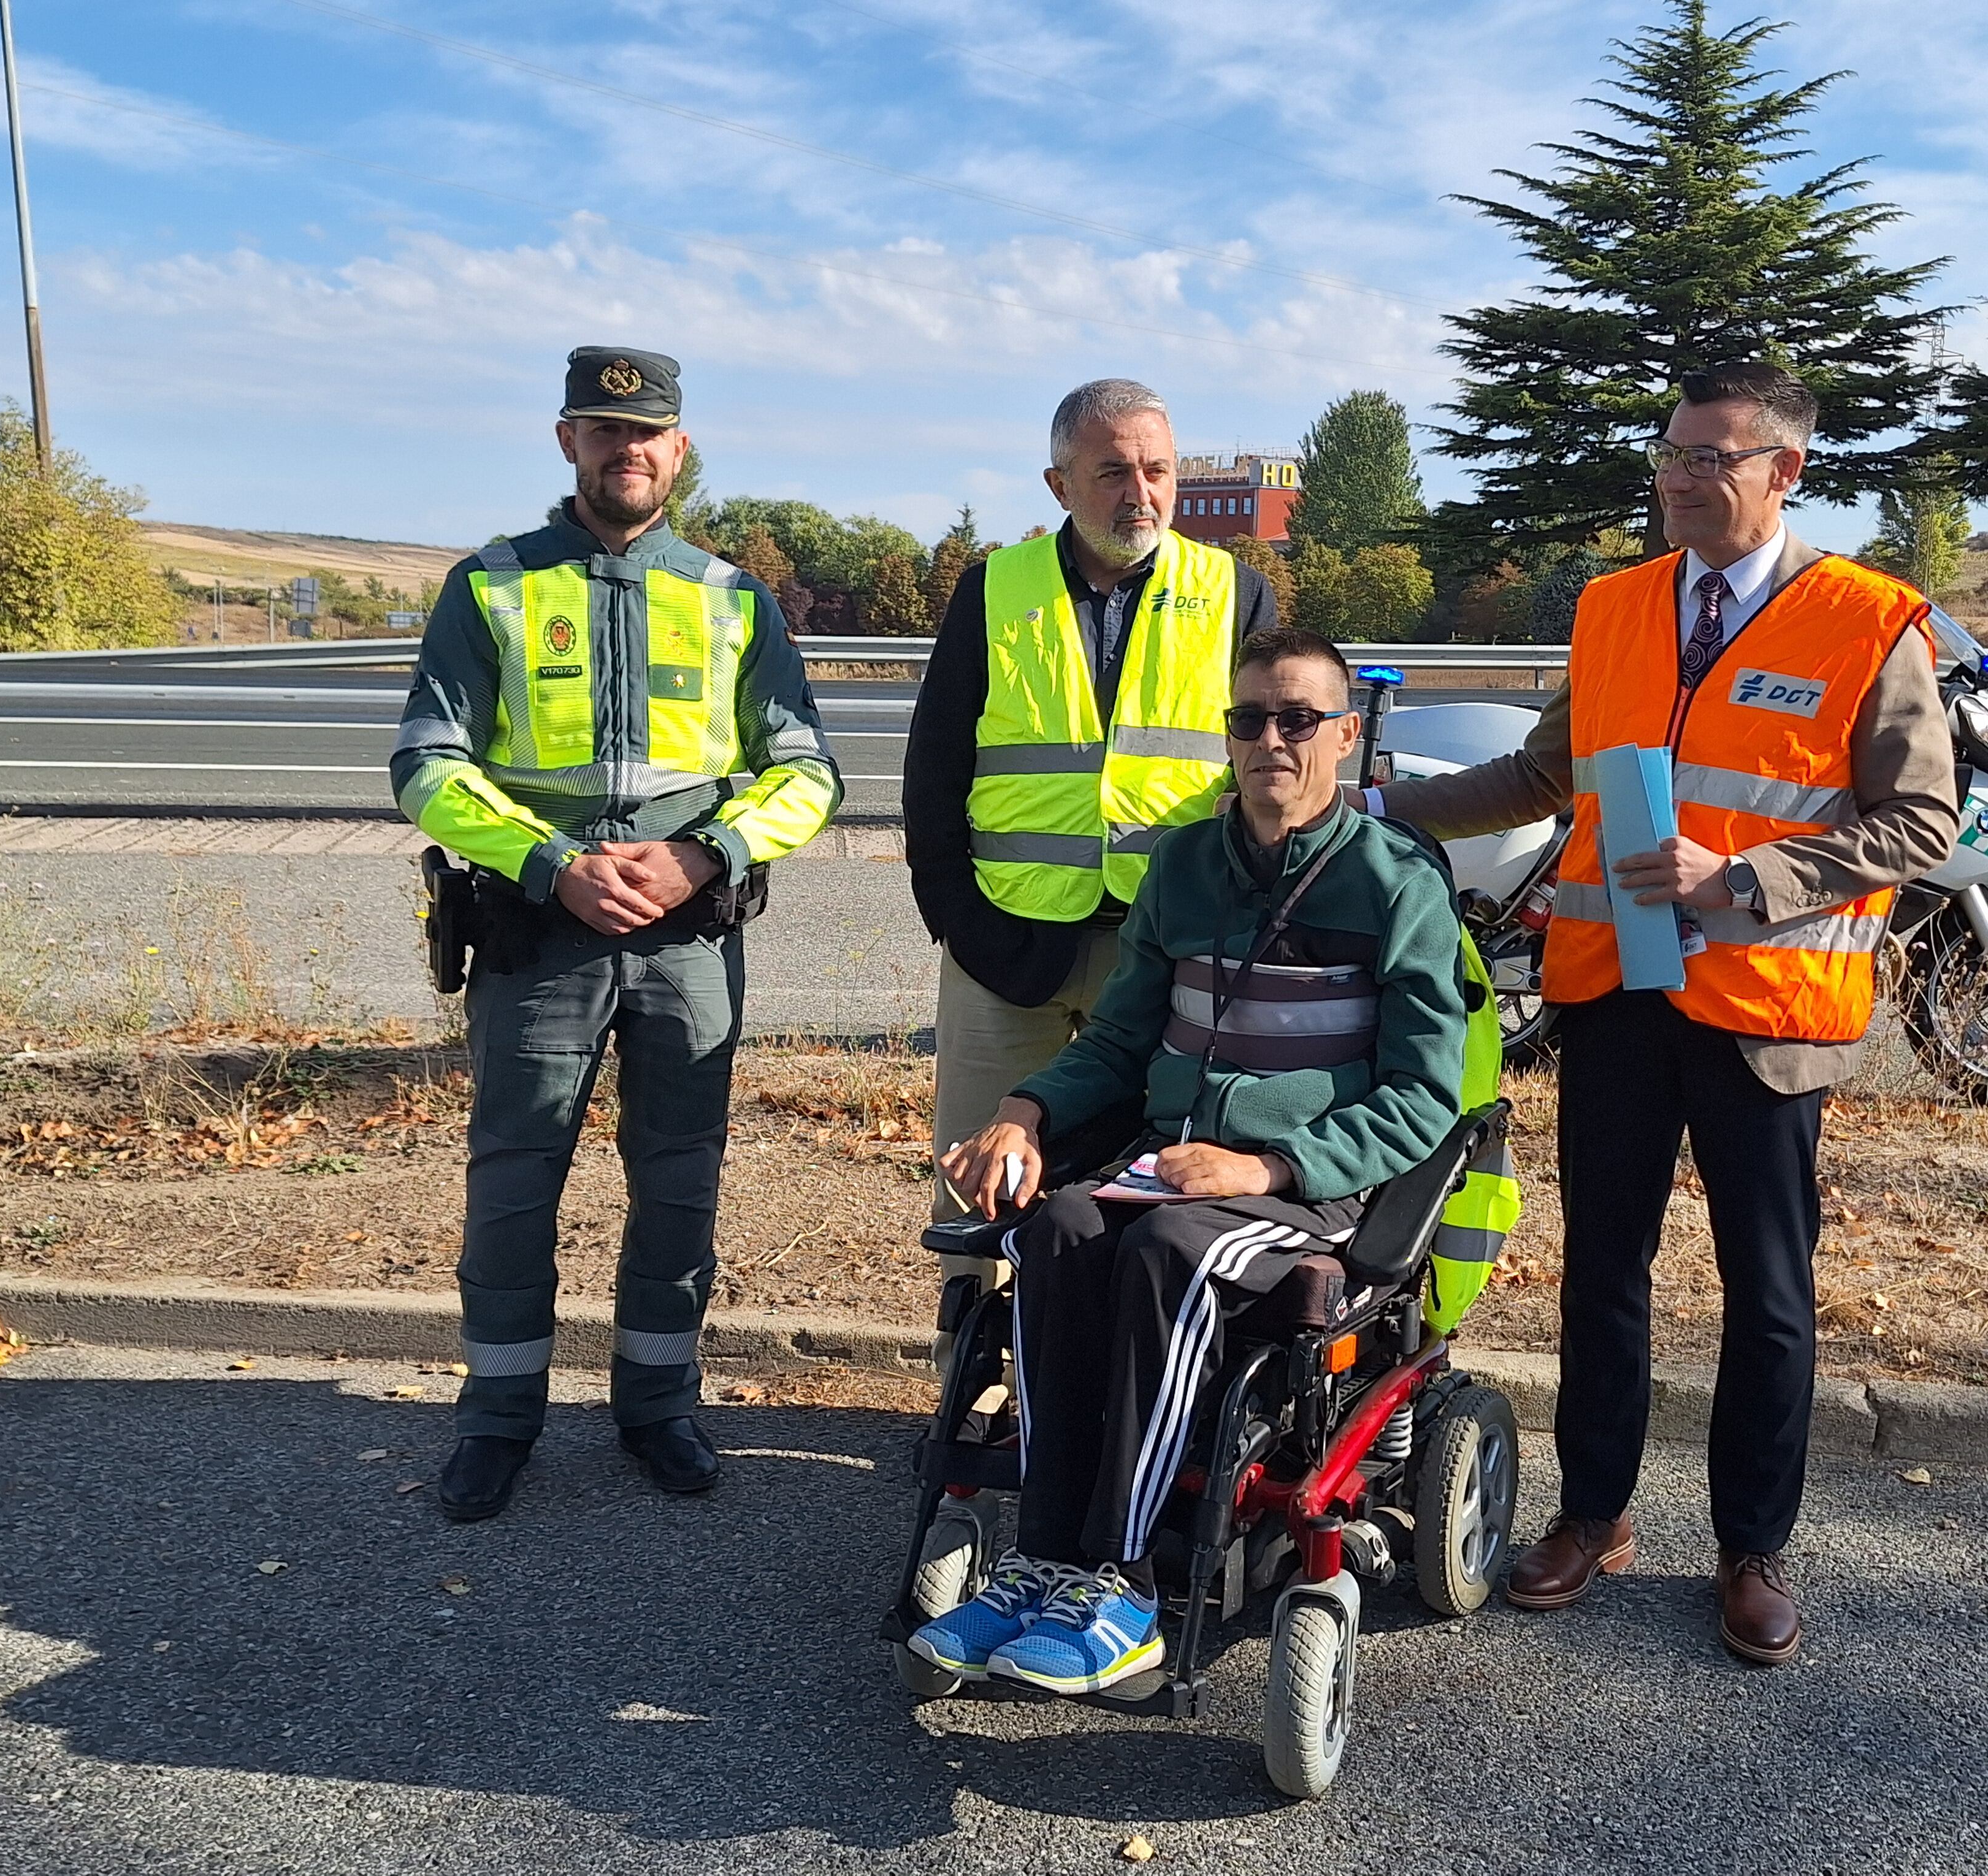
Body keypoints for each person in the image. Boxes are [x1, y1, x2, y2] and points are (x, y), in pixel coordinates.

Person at [1365, 362, 1959, 1664]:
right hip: (1615, 995)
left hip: (1770, 1008)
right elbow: (1541, 773)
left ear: (1785, 472)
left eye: (1713, 457)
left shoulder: (1870, 620)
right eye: (1673, 453)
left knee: (1770, 1295)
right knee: (1605, 1279)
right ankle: (1596, 1516)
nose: (1682, 478)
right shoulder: (1615, 605)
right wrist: (1368, 810)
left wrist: (1744, 879)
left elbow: (1921, 820)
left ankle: (1753, 1549)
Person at [907, 627, 1469, 1696]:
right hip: (1170, 1161)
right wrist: (1024, 1112)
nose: (1272, 740)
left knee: (1168, 1246)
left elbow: (1424, 1097)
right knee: (1058, 1228)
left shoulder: (1394, 885)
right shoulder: (1184, 865)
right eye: (1251, 718)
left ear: (1345, 736)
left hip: (1309, 1188)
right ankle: (1044, 1560)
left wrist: (1269, 1170)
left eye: (1299, 719)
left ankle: (1119, 1584)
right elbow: (1120, 1043)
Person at [390, 346, 841, 1522]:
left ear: (678, 451)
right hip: (540, 932)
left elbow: (806, 774)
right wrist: (550, 864)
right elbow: (426, 767)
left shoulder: (734, 595)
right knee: (512, 1182)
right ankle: (496, 1420)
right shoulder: (489, 586)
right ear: (566, 441)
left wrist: (706, 854)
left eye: (646, 434)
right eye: (601, 428)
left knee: (680, 1181)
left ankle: (657, 1406)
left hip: (688, 936)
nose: (624, 449)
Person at [903, 378, 1278, 1228]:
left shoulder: (1236, 595)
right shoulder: (993, 590)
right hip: (1004, 949)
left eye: (1157, 470)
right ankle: (969, 1355)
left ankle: (1099, 1363)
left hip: (1163, 954)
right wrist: (957, 919)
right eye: (1112, 472)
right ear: (1058, 485)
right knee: (975, 1196)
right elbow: (932, 776)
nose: (1139, 493)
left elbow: (1265, 774)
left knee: (1137, 1196)